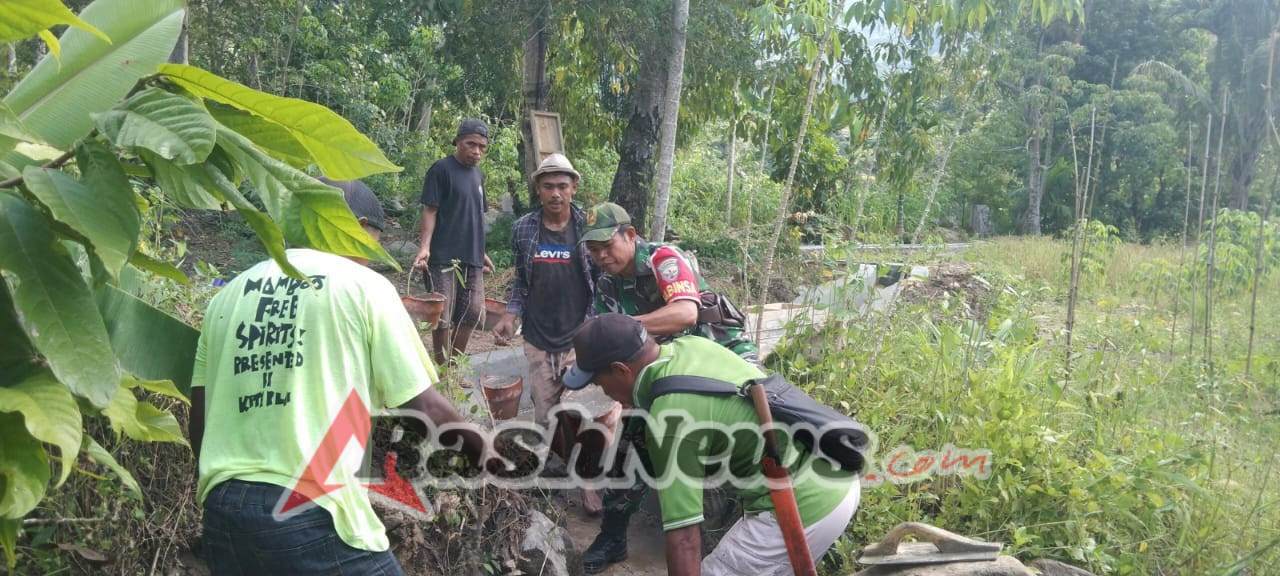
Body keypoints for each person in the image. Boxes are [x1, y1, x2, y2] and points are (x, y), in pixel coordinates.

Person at [190, 178, 483, 576]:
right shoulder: (363, 287)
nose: (370, 255)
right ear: (357, 226)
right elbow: (424, 406)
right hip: (308, 508)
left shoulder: (226, 297)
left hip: (222, 512)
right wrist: (488, 454)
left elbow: (200, 423)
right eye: (373, 242)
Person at [562, 314, 860, 576]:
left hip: (804, 505)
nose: (607, 394)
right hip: (833, 472)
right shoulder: (690, 346)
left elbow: (684, 539)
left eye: (600, 384)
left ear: (620, 370)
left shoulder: (670, 419)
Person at [578, 202, 760, 573]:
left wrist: (628, 327)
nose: (600, 256)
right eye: (593, 250)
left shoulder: (664, 259)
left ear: (630, 235)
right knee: (631, 448)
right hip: (664, 375)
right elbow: (606, 335)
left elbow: (685, 313)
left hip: (722, 362)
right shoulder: (608, 283)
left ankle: (739, 531)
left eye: (606, 246)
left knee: (755, 439)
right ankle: (613, 536)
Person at [492, 153, 598, 430]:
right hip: (538, 337)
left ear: (574, 187)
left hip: (580, 337)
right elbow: (522, 282)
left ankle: (582, 464)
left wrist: (590, 331)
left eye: (562, 186)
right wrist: (510, 314)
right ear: (538, 189)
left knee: (580, 409)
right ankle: (551, 463)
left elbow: (601, 284)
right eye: (548, 186)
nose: (555, 193)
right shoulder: (523, 229)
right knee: (544, 413)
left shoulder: (589, 228)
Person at [413, 118, 495, 366]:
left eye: (482, 146)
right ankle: (441, 368)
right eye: (471, 144)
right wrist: (425, 247)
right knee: (443, 315)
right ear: (458, 141)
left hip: (471, 255)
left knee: (472, 312)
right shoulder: (441, 170)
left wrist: (482, 251)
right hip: (442, 256)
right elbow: (430, 210)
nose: (477, 151)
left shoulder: (478, 176)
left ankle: (455, 367)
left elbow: (474, 215)